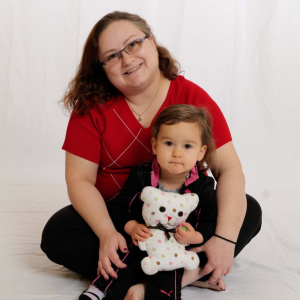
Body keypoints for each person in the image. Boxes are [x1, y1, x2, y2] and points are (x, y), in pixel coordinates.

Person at [40, 11, 262, 300]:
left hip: (185, 224)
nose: (127, 59)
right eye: (112, 56)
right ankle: (185, 275)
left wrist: (223, 239)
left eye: (133, 44)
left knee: (249, 210)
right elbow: (79, 179)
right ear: (102, 67)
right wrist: (107, 232)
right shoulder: (91, 107)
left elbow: (229, 170)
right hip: (122, 222)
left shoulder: (193, 98)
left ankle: (144, 281)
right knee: (58, 234)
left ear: (152, 43)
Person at [86, 104, 218, 300]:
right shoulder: (141, 175)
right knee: (125, 252)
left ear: (201, 152)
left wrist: (195, 237)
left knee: (177, 267)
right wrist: (132, 227)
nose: (177, 153)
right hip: (145, 241)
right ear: (155, 145)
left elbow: (210, 223)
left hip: (180, 248)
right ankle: (102, 289)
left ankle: (152, 290)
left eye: (187, 146)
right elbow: (120, 209)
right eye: (169, 143)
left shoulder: (203, 185)